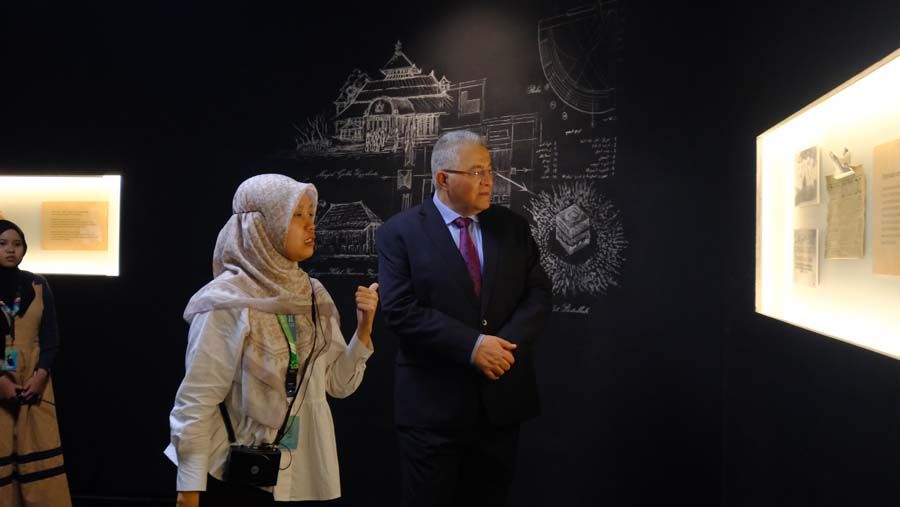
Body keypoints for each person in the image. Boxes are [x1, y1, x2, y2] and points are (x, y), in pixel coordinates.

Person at [165, 174, 379, 506]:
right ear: (262, 226)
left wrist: (363, 330)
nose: (310, 225)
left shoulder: (313, 295)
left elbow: (336, 384)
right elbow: (197, 400)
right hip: (232, 474)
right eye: (297, 215)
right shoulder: (225, 302)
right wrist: (188, 490)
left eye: (311, 214)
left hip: (302, 476)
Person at [376, 130, 552, 506]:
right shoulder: (400, 233)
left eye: (489, 170)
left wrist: (502, 349)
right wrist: (473, 346)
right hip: (431, 409)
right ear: (443, 179)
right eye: (476, 172)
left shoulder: (513, 227)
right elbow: (399, 309)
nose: (489, 180)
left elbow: (538, 295)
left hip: (500, 404)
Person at [0, 219, 72, 506]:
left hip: (34, 382)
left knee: (40, 460)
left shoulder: (37, 285)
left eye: (17, 244)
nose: (11, 250)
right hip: (1, 381)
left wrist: (41, 375)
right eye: (2, 244)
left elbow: (51, 336)